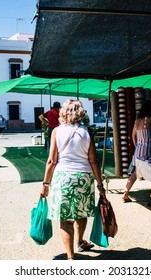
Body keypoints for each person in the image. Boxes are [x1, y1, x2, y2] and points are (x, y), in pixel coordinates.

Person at [40, 99, 105, 260]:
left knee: (65, 218)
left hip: (63, 177)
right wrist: (100, 184)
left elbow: (51, 161)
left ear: (63, 112)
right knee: (81, 213)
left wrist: (45, 184)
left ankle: (71, 257)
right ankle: (80, 241)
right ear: (80, 112)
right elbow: (93, 160)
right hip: (83, 176)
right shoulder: (87, 132)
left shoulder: (56, 131)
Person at [122, 98, 151, 202]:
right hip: (148, 151)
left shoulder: (137, 121)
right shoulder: (148, 120)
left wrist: (137, 146)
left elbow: (133, 136)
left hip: (138, 150)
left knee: (135, 174)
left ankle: (125, 193)